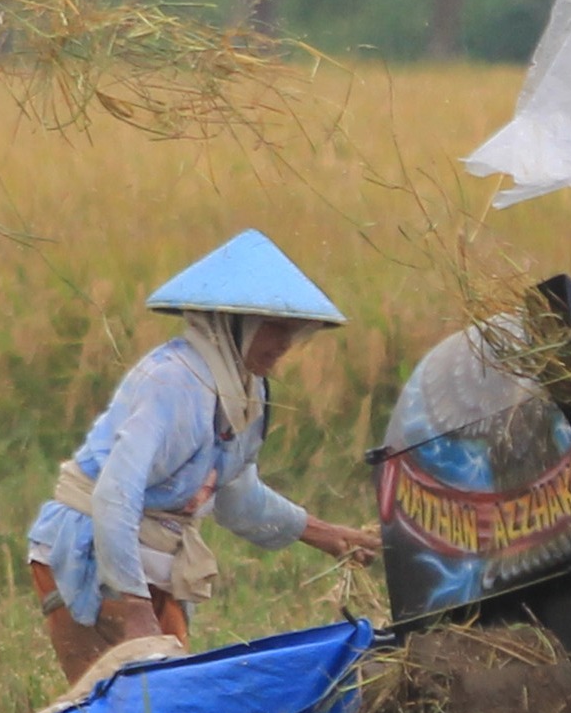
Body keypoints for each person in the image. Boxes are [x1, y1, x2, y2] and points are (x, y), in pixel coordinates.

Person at [23, 229, 381, 685]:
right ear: (231, 323)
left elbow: (236, 495)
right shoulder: (173, 382)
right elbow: (116, 494)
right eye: (274, 328)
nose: (286, 342)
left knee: (163, 696)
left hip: (154, 556)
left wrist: (329, 536)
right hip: (90, 549)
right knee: (130, 703)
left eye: (292, 330)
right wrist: (134, 608)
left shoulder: (248, 390)